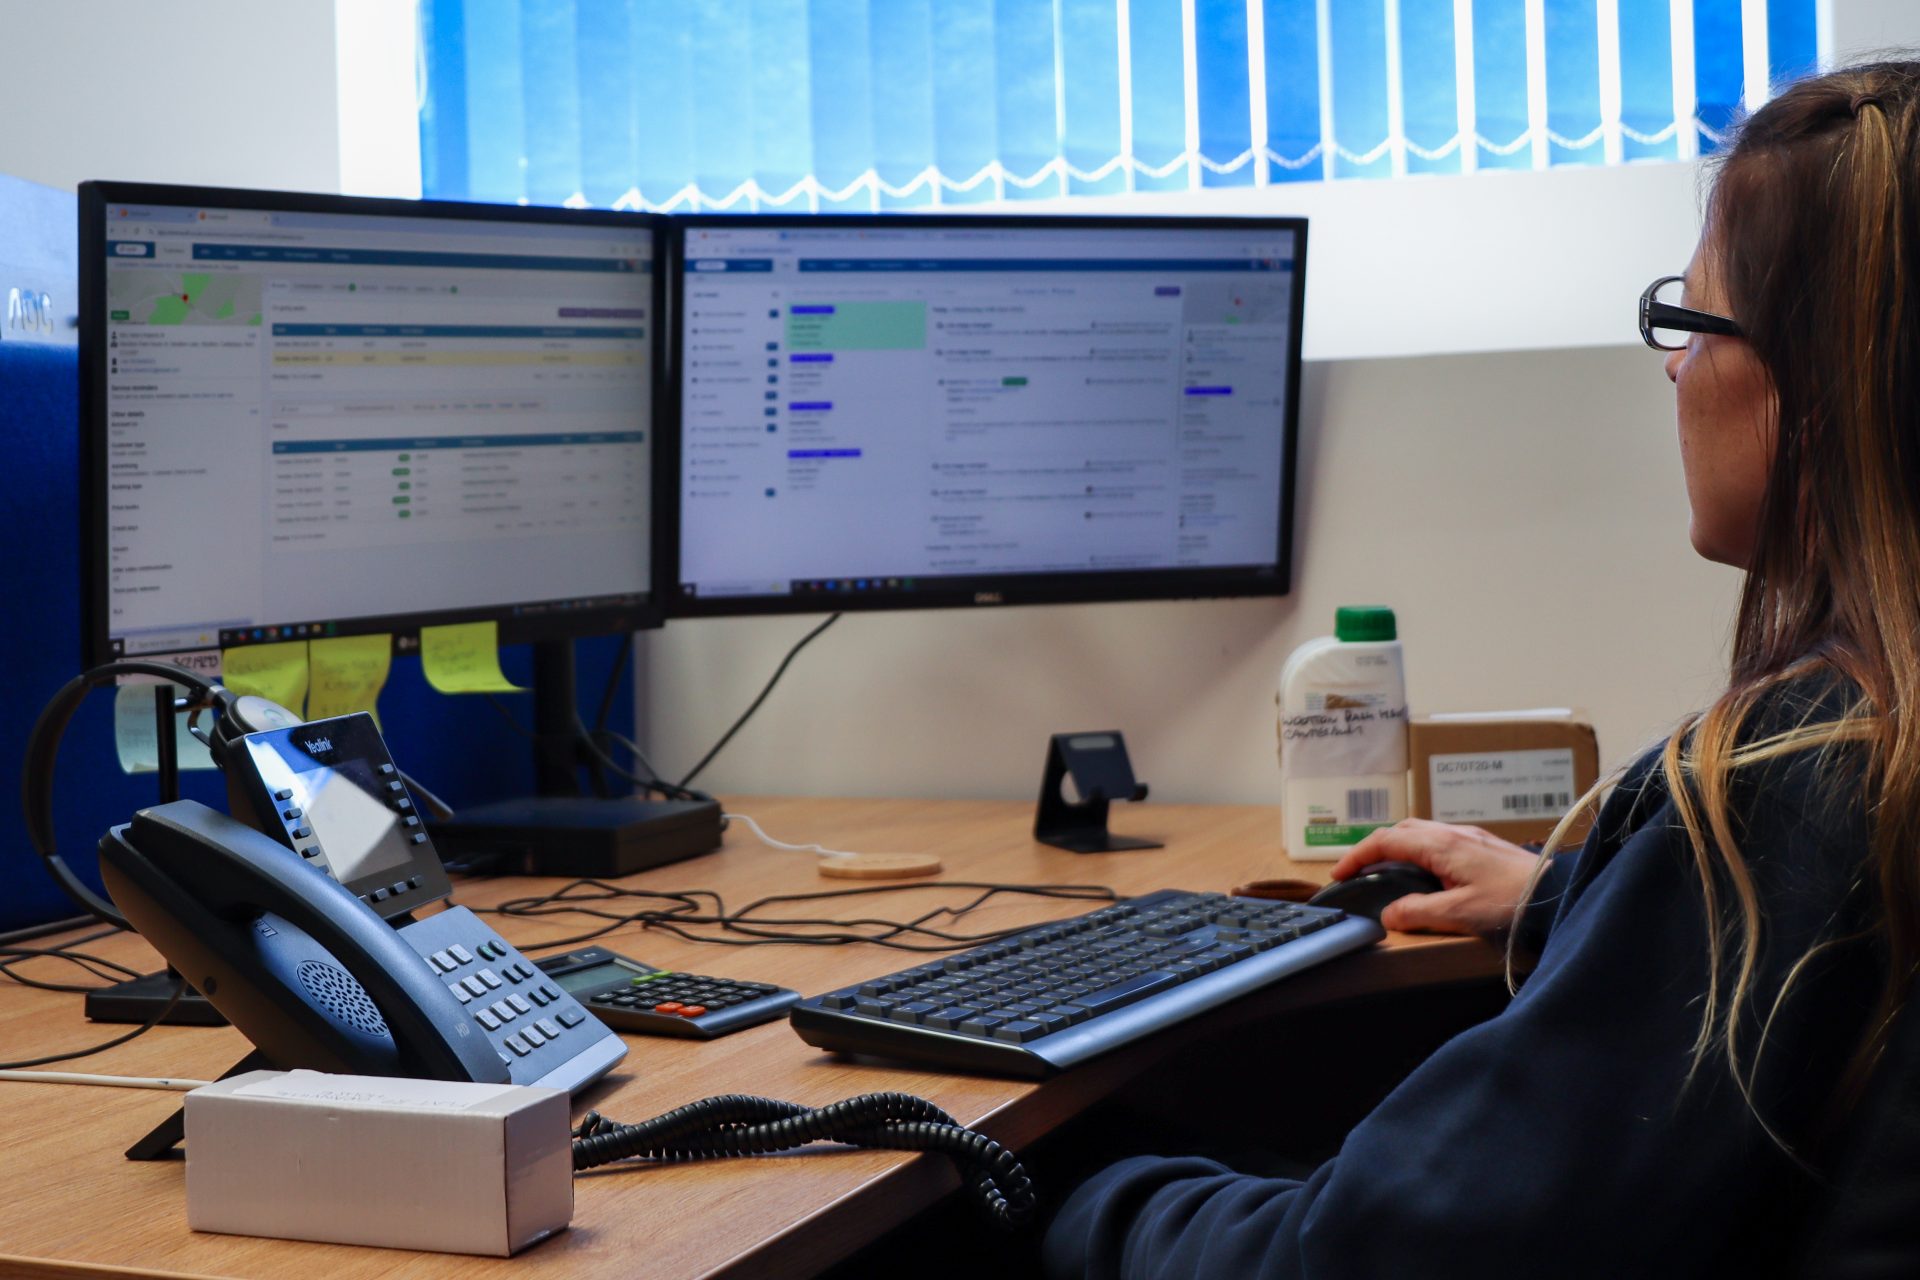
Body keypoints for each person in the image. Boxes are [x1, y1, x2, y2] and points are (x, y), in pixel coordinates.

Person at [1041, 60, 1920, 1279]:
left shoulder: (1792, 777)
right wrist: (1586, 900)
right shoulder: (1858, 764)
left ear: (1822, 385)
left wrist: (1054, 1186)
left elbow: (1364, 1260)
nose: (1673, 366)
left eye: (1692, 322)